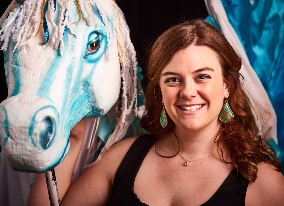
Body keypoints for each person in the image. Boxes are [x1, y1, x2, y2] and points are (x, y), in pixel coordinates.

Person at [27, 19, 284, 205]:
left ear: (226, 86)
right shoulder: (123, 157)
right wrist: (73, 137)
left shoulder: (263, 182)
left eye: (202, 77)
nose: (187, 92)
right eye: (173, 79)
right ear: (160, 90)